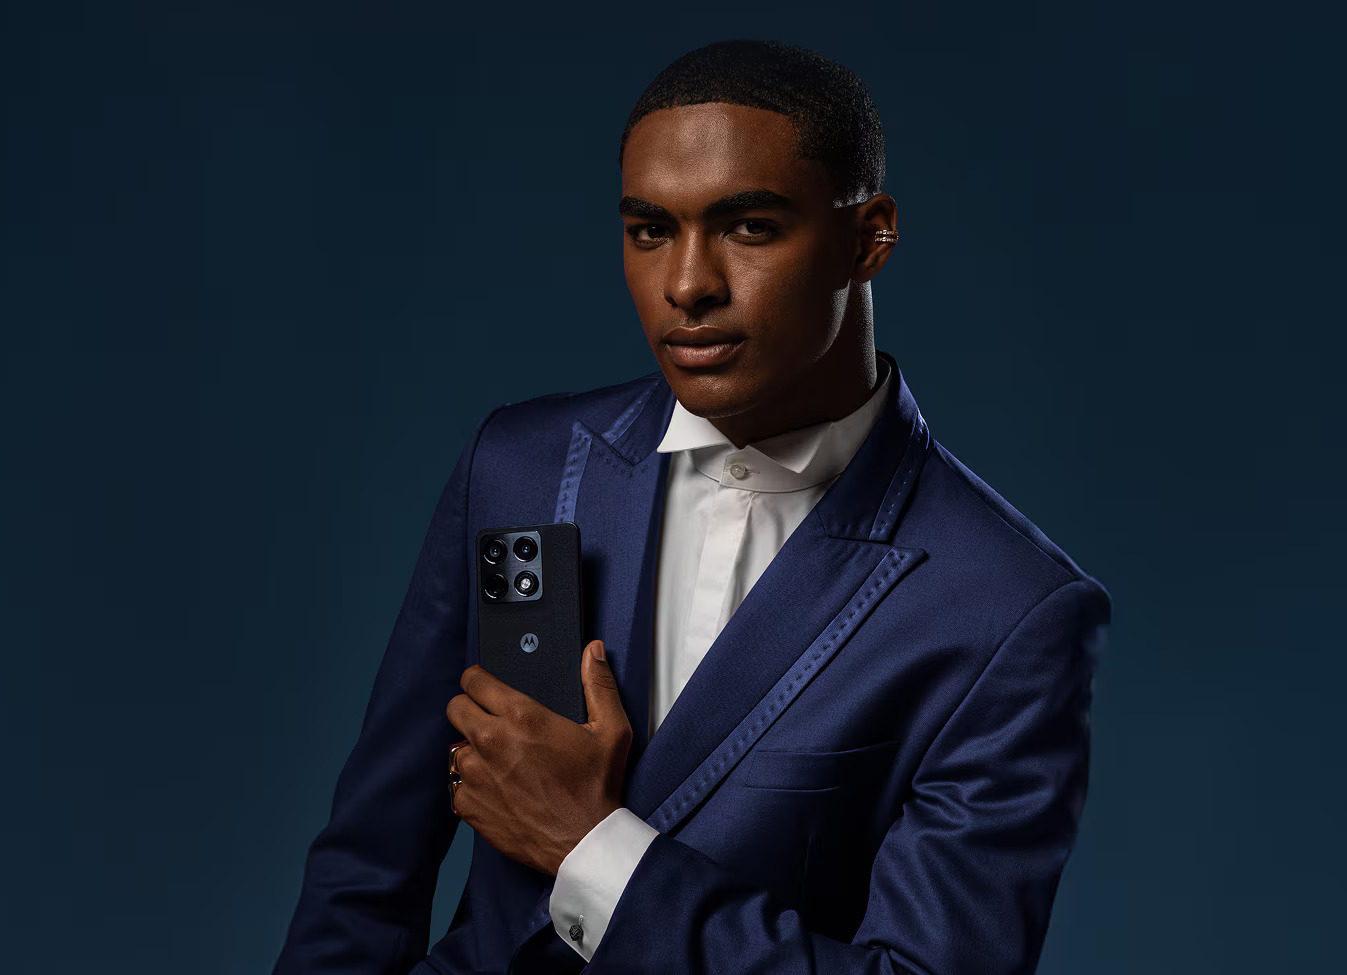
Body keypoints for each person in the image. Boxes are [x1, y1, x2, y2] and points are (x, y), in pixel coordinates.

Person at [272, 38, 1111, 975]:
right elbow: (365, 872)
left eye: (748, 227)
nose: (686, 284)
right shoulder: (516, 465)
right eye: (649, 230)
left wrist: (592, 850)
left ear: (867, 238)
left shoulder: (1007, 609)